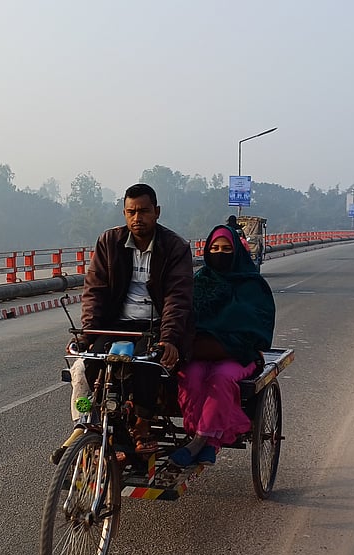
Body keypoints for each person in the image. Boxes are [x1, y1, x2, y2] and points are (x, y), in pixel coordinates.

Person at [79, 183, 194, 451]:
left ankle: (142, 424)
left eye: (143, 211)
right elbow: (94, 290)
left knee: (147, 362)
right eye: (131, 212)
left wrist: (170, 339)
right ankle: (91, 421)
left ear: (157, 212)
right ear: (124, 213)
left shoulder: (176, 247)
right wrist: (88, 334)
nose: (137, 218)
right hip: (116, 323)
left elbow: (177, 298)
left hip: (154, 326)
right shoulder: (109, 242)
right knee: (92, 360)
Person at [170, 222, 275, 467]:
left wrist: (229, 339)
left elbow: (257, 325)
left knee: (220, 380)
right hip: (201, 351)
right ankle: (207, 438)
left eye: (226, 248)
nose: (219, 252)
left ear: (236, 251)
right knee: (191, 377)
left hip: (237, 354)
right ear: (207, 250)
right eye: (214, 248)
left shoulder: (252, 285)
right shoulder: (199, 281)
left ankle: (201, 441)